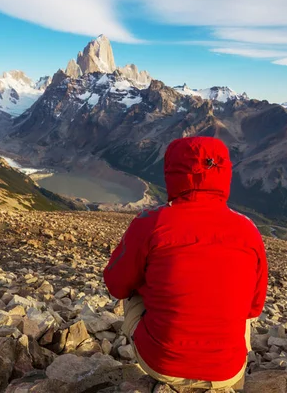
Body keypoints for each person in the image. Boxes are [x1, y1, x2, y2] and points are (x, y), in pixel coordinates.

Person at [103, 136, 268, 390]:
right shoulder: (249, 230)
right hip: (228, 370)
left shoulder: (151, 222)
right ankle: (229, 384)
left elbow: (116, 285)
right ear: (224, 174)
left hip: (163, 364)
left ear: (172, 172)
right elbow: (254, 308)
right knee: (240, 313)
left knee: (134, 285)